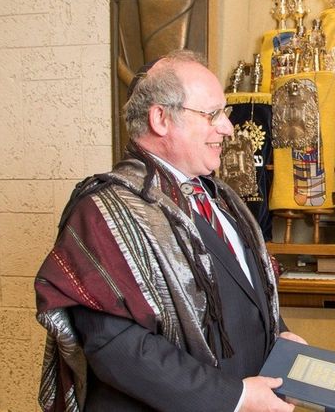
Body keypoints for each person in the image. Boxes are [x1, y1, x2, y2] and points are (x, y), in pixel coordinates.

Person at [35, 50, 303, 412]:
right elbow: (115, 346)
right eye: (213, 114)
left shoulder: (222, 198)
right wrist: (234, 399)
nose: (227, 126)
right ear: (161, 118)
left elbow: (248, 292)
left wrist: (278, 336)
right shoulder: (104, 210)